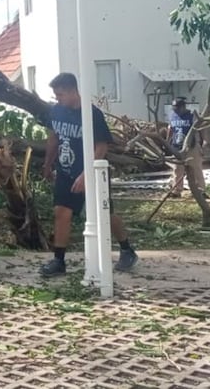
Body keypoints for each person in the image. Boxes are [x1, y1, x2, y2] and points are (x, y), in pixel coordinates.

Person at [41, 72, 137, 277]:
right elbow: (53, 139)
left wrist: (87, 174)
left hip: (91, 173)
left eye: (60, 95)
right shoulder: (57, 111)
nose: (57, 99)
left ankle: (127, 249)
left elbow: (101, 147)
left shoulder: (92, 114)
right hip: (65, 172)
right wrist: (47, 164)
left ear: (73, 91)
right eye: (56, 95)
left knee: (105, 214)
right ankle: (59, 261)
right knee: (61, 212)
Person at [165, 97, 208, 199]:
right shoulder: (173, 116)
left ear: (183, 107)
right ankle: (177, 191)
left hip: (191, 147)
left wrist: (205, 142)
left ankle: (200, 191)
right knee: (177, 170)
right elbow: (170, 130)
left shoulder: (192, 116)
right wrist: (167, 143)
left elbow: (202, 129)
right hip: (177, 147)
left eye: (177, 108)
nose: (176, 111)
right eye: (174, 109)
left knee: (196, 168)